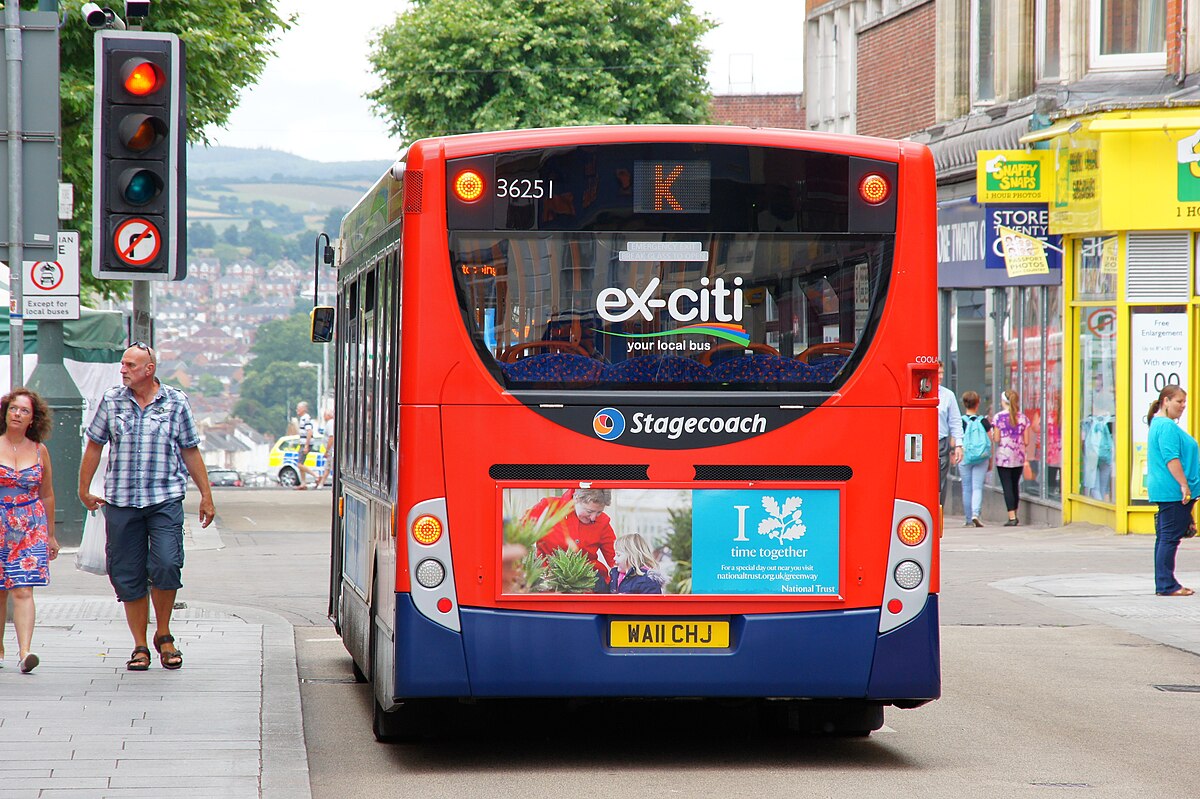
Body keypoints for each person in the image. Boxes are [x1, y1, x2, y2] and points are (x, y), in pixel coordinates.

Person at [77, 342, 215, 671]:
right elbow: (94, 445)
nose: (122, 369)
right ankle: (140, 644)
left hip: (164, 499)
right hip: (122, 501)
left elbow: (190, 451)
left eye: (129, 365)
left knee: (167, 563)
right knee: (127, 573)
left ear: (148, 370)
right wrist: (83, 490)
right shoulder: (112, 401)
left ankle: (164, 635)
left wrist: (206, 495)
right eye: (123, 364)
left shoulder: (175, 402)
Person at [0, 389, 60, 673]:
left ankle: (25, 652)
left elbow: (47, 493)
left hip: (30, 523)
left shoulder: (39, 450)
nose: (17, 414)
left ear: (33, 419)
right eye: (13, 408)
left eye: (24, 411)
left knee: (23, 588)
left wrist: (49, 534)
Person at [1145, 385, 1199, 597]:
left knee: (1166, 537)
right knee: (1169, 538)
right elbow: (1171, 458)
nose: (1183, 406)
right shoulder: (1166, 426)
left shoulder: (1158, 424)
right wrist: (1184, 485)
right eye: (1179, 402)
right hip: (1172, 491)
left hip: (1168, 490)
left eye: (1184, 402)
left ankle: (1166, 582)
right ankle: (1167, 585)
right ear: (1165, 401)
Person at [526, 487, 616, 588]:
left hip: (589, 582)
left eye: (599, 512)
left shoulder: (603, 522)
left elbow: (615, 557)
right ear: (576, 499)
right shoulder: (549, 507)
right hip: (548, 581)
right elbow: (519, 535)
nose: (593, 518)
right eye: (589, 511)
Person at [991, 390, 1032, 526]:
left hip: (1003, 457)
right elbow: (1026, 441)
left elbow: (996, 438)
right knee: (1015, 485)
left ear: (1003, 401)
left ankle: (1012, 516)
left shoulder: (998, 417)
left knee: (1007, 486)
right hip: (1018, 456)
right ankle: (1015, 511)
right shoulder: (1023, 418)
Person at [958, 391, 992, 528]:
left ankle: (968, 519)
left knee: (966, 488)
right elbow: (990, 440)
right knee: (977, 487)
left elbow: (954, 441)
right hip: (981, 457)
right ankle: (975, 514)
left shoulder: (960, 421)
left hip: (965, 457)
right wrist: (990, 459)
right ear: (978, 404)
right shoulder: (983, 421)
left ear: (964, 404)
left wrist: (955, 453)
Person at [936, 362, 963, 506]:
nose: (940, 376)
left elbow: (955, 421)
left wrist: (958, 444)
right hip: (920, 444)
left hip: (940, 443)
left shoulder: (948, 395)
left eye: (942, 373)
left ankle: (938, 514)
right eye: (937, 373)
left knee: (939, 483)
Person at [294, 401, 315, 490]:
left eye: (298, 408)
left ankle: (316, 476)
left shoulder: (306, 418)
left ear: (304, 409)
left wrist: (306, 445)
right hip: (302, 443)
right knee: (301, 464)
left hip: (305, 444)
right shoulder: (303, 418)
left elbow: (309, 431)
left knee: (299, 464)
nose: (297, 410)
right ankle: (303, 483)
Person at [314, 409, 334, 489]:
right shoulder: (331, 423)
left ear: (328, 415)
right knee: (327, 468)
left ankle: (322, 484)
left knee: (330, 467)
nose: (324, 417)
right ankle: (321, 483)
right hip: (330, 451)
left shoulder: (330, 423)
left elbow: (331, 437)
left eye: (324, 415)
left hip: (331, 451)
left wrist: (327, 451)